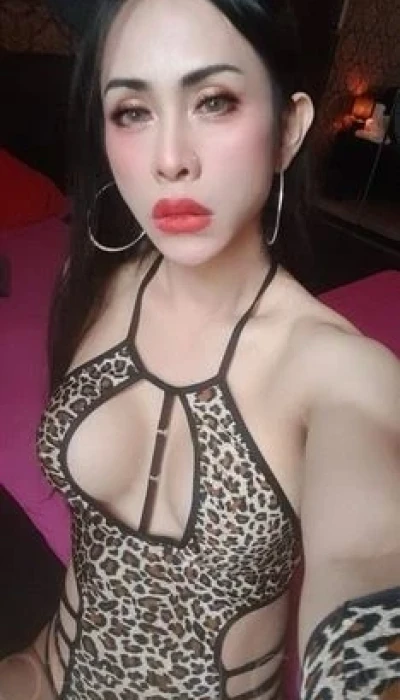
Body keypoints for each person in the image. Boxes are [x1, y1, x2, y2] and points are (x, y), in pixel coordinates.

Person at [1, 0, 399, 698]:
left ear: (288, 130)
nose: (170, 160)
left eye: (214, 101)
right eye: (132, 111)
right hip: (47, 674)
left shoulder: (344, 372)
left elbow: (367, 560)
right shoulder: (94, 283)